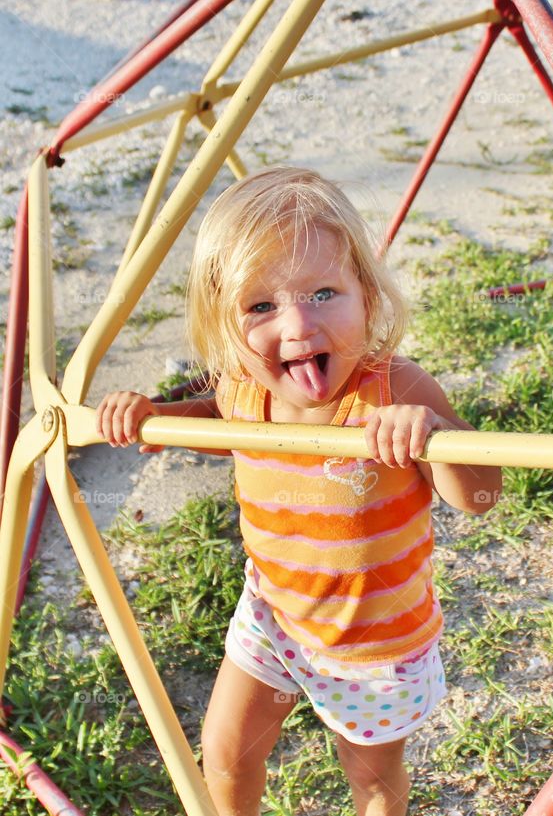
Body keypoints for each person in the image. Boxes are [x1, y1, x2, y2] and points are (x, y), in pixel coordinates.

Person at [95, 166, 503, 816]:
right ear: (225, 325)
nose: (296, 327)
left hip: (375, 641)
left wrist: (434, 436)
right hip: (274, 614)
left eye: (322, 293)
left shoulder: (396, 391)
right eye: (260, 306)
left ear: (367, 295)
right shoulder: (243, 388)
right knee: (226, 753)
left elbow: (480, 494)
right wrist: (155, 420)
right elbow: (221, 423)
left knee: (371, 778)